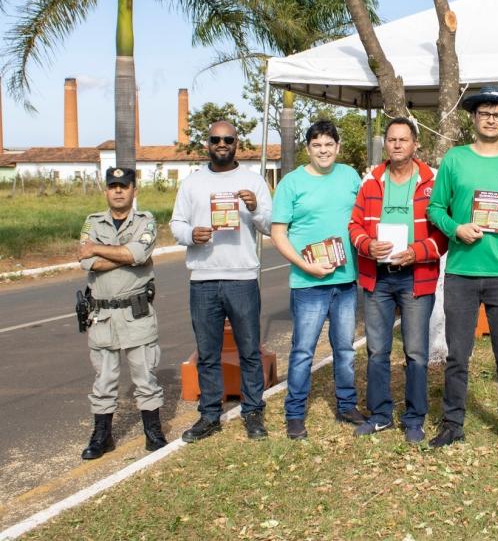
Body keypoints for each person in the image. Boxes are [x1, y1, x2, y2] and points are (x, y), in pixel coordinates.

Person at [426, 85, 498, 452]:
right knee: (457, 355)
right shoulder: (455, 160)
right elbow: (435, 209)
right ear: (474, 118)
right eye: (484, 113)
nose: (491, 119)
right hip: (461, 271)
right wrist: (455, 229)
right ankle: (452, 422)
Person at [170, 120, 273, 442]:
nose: (222, 143)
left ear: (237, 142)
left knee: (249, 352)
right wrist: (191, 235)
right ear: (208, 144)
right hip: (203, 279)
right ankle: (210, 415)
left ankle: (253, 412)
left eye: (228, 139)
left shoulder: (253, 181)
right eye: (216, 139)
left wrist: (255, 209)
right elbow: (176, 223)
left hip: (242, 277)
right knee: (208, 352)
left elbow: (270, 226)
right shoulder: (192, 184)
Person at [349, 117, 448, 443]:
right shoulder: (371, 181)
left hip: (415, 277)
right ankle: (380, 415)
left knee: (416, 352)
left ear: (415, 144)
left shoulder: (432, 181)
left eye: (403, 140)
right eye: (391, 139)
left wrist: (417, 252)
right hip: (378, 278)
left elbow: (443, 233)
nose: (396, 145)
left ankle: (414, 419)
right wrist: (367, 244)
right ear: (386, 144)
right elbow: (355, 225)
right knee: (377, 351)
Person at [270, 120, 364, 440]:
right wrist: (304, 265)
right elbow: (278, 233)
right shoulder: (291, 183)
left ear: (337, 147)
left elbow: (365, 218)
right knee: (303, 351)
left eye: (328, 144)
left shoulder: (350, 176)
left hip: (346, 281)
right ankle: (295, 413)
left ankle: (346, 404)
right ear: (307, 149)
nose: (323, 151)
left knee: (345, 348)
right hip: (308, 284)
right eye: (316, 145)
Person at [77, 167, 167, 459]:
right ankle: (102, 435)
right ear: (106, 190)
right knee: (103, 382)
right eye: (113, 186)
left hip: (135, 312)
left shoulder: (146, 220)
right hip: (101, 316)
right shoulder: (92, 223)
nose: (118, 191)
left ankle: (153, 432)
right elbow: (88, 263)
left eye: (124, 186)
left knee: (145, 376)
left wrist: (101, 251)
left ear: (134, 190)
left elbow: (138, 254)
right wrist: (126, 255)